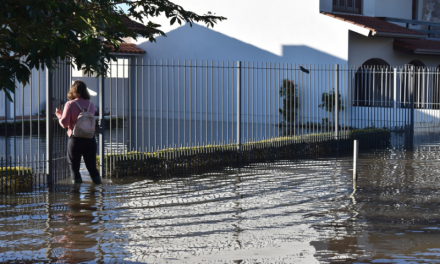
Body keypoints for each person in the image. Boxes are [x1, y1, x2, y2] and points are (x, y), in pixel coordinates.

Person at [55, 80, 102, 184]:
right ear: (85, 91)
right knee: (92, 168)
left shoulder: (70, 104)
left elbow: (64, 124)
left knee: (74, 169)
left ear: (73, 90)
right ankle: (99, 191)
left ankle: (75, 196)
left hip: (75, 139)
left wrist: (59, 115)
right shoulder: (91, 104)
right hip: (90, 139)